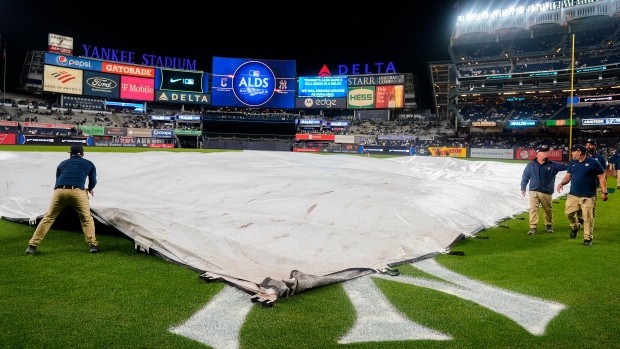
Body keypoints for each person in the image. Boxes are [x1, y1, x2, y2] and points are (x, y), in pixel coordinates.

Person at [25, 145, 99, 254]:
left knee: (49, 217)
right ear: (82, 155)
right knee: (86, 218)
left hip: (59, 191)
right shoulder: (89, 163)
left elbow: (58, 181)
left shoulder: (63, 163)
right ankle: (92, 245)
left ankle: (32, 246)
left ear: (70, 154)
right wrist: (90, 189)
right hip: (78, 191)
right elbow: (93, 181)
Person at [557, 144, 608, 246]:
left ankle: (587, 238)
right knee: (568, 213)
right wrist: (562, 183)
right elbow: (568, 176)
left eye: (573, 151)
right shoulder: (572, 163)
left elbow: (602, 177)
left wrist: (604, 192)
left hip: (588, 195)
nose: (572, 153)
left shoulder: (594, 163)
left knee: (588, 218)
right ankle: (575, 227)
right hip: (573, 194)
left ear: (579, 152)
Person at [520, 145, 568, 235]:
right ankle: (533, 227)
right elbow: (525, 176)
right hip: (533, 190)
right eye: (544, 151)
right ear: (538, 153)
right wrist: (523, 187)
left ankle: (549, 225)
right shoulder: (531, 165)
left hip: (546, 191)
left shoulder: (553, 164)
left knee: (548, 210)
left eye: (547, 151)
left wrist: (577, 164)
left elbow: (566, 167)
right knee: (533, 209)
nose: (547, 153)